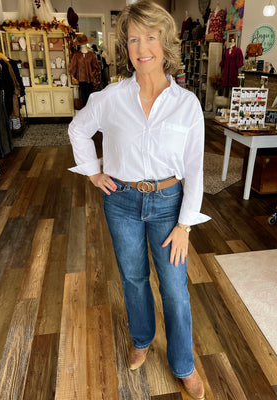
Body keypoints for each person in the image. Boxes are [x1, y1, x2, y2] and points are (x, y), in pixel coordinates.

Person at [68, 1, 210, 399]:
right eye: (133, 38)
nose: (142, 46)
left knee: (175, 288)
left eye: (151, 36)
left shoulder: (186, 106)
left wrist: (185, 226)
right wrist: (93, 171)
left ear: (165, 44)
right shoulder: (111, 97)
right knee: (133, 278)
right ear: (125, 46)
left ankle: (184, 363)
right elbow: (78, 130)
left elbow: (195, 170)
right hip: (122, 202)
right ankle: (142, 338)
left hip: (168, 203)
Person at [68, 34, 100, 106]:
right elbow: (73, 66)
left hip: (90, 80)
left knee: (90, 98)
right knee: (84, 99)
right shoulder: (76, 55)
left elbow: (96, 66)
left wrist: (93, 72)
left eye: (83, 43)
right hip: (81, 80)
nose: (82, 45)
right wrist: (73, 77)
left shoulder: (91, 54)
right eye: (81, 43)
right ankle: (85, 114)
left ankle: (90, 114)